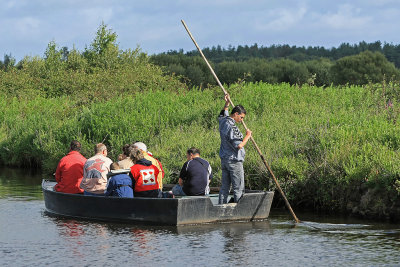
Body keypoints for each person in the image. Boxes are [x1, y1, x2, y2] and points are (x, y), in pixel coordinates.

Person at [218, 94, 252, 204]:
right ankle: (239, 212)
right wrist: (247, 136)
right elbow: (239, 145)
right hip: (234, 160)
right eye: (241, 117)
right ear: (236, 114)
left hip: (225, 160)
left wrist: (227, 104)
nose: (241, 120)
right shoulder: (232, 126)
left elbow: (223, 114)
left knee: (225, 188)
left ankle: (221, 207)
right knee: (238, 188)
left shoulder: (223, 121)